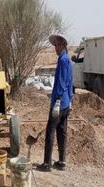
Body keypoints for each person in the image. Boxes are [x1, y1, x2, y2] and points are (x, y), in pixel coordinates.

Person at [37, 34, 73, 172]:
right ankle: (62, 161)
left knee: (50, 130)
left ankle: (47, 164)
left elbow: (62, 82)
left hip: (59, 102)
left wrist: (57, 100)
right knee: (62, 131)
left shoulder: (63, 60)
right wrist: (70, 99)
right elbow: (70, 82)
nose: (55, 48)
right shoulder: (68, 60)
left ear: (63, 45)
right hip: (65, 102)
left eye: (57, 45)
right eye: (55, 46)